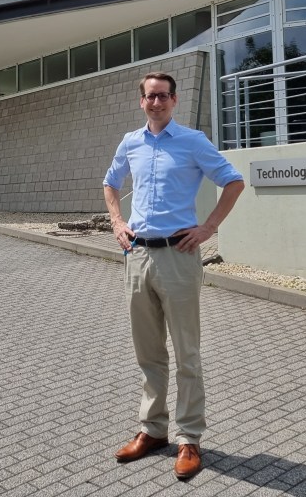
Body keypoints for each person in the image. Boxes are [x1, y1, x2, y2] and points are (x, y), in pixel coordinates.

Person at [103, 71, 244, 480]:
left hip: (179, 256)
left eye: (163, 96)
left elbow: (234, 182)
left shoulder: (192, 141)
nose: (156, 102)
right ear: (141, 101)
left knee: (187, 353)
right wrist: (117, 222)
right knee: (148, 353)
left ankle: (189, 438)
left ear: (174, 100)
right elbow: (110, 183)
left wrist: (208, 228)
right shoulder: (131, 142)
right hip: (137, 255)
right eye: (150, 96)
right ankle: (153, 430)